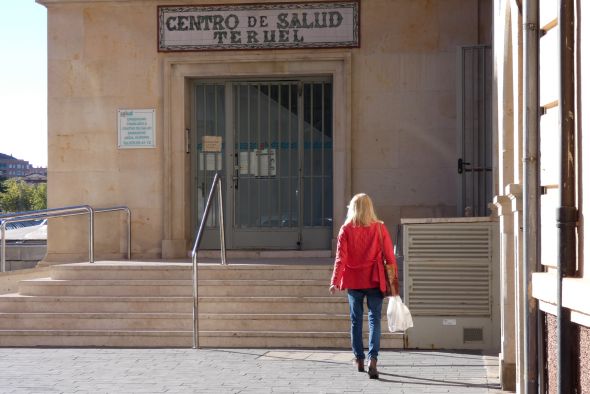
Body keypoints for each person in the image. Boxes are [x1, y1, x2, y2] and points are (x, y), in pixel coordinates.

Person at [329, 193, 398, 379]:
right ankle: (372, 360)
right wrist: (394, 285)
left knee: (355, 320)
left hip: (354, 280)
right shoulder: (379, 228)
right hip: (375, 280)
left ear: (352, 208)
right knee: (374, 319)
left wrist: (335, 281)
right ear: (370, 208)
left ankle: (358, 359)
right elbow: (390, 258)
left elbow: (340, 258)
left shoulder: (345, 229)